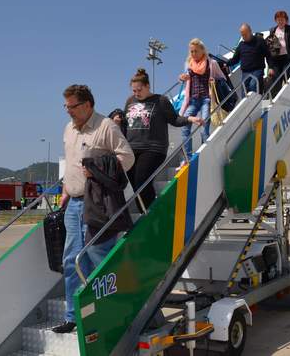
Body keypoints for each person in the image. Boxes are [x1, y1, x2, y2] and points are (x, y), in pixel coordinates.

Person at [53, 84, 134, 334]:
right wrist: (66, 190)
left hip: (96, 202)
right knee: (71, 261)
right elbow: (71, 163)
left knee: (100, 257)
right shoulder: (68, 129)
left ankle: (114, 312)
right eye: (66, 106)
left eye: (72, 106)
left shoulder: (106, 126)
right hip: (73, 204)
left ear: (87, 104)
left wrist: (98, 168)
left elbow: (127, 157)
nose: (68, 111)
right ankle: (74, 316)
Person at [125, 68, 202, 209]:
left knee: (141, 180)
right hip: (132, 149)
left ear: (148, 86)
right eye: (134, 91)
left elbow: (174, 119)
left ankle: (150, 213)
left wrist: (189, 119)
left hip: (153, 148)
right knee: (136, 186)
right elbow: (126, 124)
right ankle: (145, 213)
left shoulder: (160, 100)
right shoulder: (130, 101)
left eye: (139, 90)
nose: (136, 94)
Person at [178, 39, 226, 159]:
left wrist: (214, 80)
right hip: (192, 100)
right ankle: (188, 158)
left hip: (206, 99)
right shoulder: (188, 64)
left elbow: (222, 78)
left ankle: (204, 155)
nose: (193, 54)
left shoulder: (211, 63)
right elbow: (184, 79)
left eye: (196, 51)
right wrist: (182, 78)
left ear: (202, 50)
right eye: (191, 51)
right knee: (185, 127)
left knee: (204, 129)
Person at [266, 10, 290, 95]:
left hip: (288, 57)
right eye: (278, 19)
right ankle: (276, 97)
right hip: (276, 59)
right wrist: (270, 66)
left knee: (288, 77)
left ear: (286, 20)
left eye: (282, 19)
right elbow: (270, 46)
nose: (280, 21)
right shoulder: (273, 30)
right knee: (276, 79)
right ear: (276, 20)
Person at [226, 23, 269, 94]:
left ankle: (257, 99)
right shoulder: (241, 45)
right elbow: (235, 59)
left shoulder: (259, 40)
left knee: (253, 85)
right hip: (245, 72)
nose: (244, 37)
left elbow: (268, 54)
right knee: (244, 91)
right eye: (242, 35)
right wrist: (227, 63)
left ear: (250, 31)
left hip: (257, 70)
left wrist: (271, 67)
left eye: (245, 34)